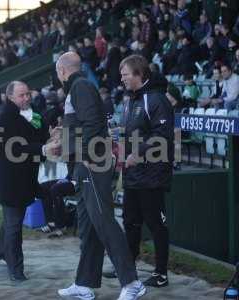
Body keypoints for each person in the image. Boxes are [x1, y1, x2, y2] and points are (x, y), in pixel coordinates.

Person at [55, 52, 145, 300]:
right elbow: (85, 124)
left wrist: (85, 154)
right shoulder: (80, 86)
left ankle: (132, 282)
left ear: (62, 71)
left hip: (94, 163)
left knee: (103, 222)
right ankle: (84, 283)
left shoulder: (79, 86)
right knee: (89, 227)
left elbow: (94, 123)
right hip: (87, 164)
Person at [0, 81, 59, 282]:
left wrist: (49, 136)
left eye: (28, 94)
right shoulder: (4, 119)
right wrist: (42, 149)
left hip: (23, 178)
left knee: (11, 219)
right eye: (22, 95)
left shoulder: (28, 114)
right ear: (10, 97)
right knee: (14, 224)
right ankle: (16, 269)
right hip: (10, 180)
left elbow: (32, 137)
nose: (27, 98)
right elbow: (16, 148)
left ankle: (1, 251)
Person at [120, 54, 174, 288]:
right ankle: (128, 268)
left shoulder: (157, 100)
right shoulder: (131, 99)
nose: (121, 78)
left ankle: (161, 274)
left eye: (125, 74)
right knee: (130, 222)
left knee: (156, 224)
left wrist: (137, 153)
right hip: (132, 174)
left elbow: (162, 136)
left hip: (152, 175)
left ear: (139, 75)